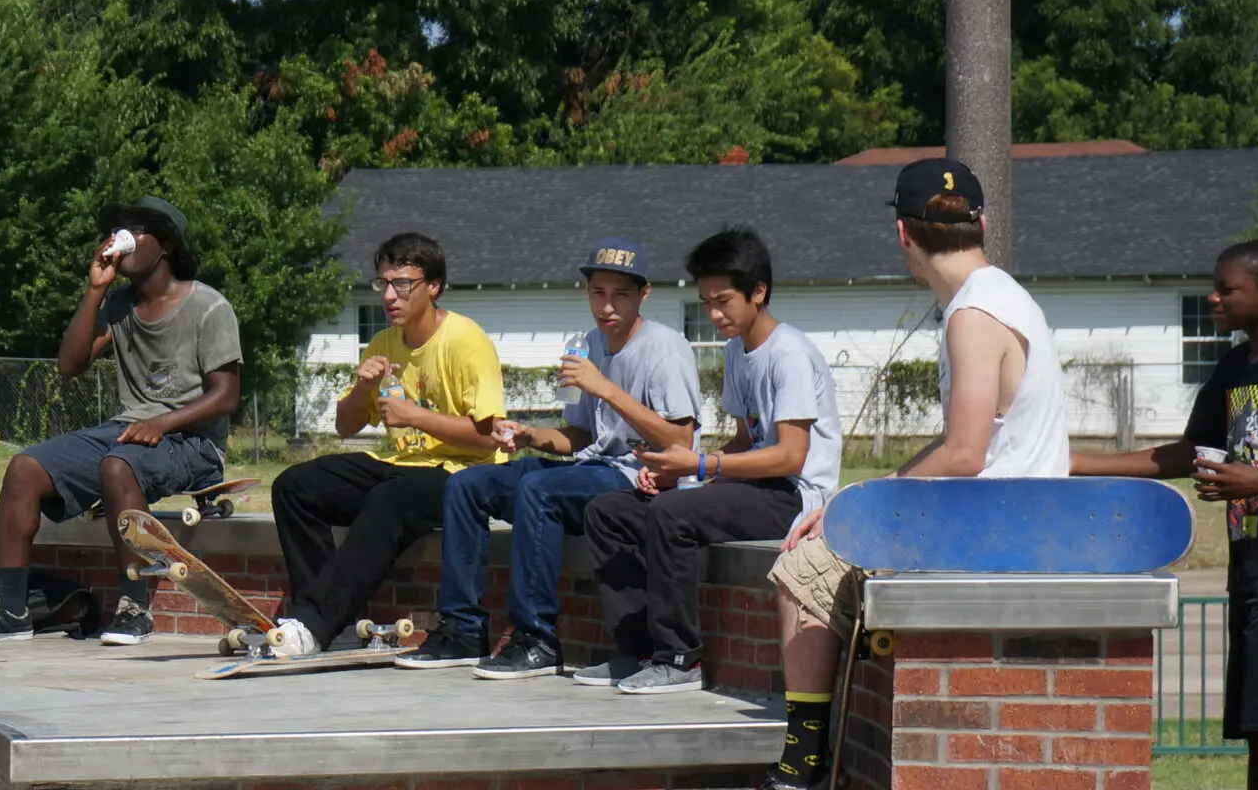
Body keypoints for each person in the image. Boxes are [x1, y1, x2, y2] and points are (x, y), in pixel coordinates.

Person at [710, 157, 1068, 790]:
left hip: (990, 532)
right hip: (1011, 518)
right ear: (982, 223)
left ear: (902, 233)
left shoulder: (974, 315)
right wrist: (864, 495)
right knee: (825, 550)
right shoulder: (1004, 296)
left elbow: (963, 454)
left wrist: (858, 507)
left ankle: (801, 770)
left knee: (801, 571)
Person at [1074, 240, 1258, 790]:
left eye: (1226, 289)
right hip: (1252, 566)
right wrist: (1068, 462)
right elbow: (1183, 456)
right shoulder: (1234, 369)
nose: (1213, 298)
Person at [402, 239, 703, 677]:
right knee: (469, 484)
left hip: (640, 479)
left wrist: (604, 388)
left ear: (644, 294)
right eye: (598, 292)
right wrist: (530, 436)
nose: (608, 306)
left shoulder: (665, 347)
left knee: (538, 490)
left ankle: (536, 638)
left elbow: (682, 441)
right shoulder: (587, 343)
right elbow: (581, 435)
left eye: (621, 294)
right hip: (591, 468)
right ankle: (463, 628)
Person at [0, 196, 242, 644]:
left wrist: (162, 424)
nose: (120, 240)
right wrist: (95, 292)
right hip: (128, 430)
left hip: (193, 441)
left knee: (117, 465)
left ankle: (134, 609)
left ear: (165, 245)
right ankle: (11, 612)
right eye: (117, 230)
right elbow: (69, 366)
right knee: (24, 469)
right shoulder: (119, 305)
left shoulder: (209, 307)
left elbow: (226, 396)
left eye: (135, 230)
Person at [581, 228, 841, 697]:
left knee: (671, 514)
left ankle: (680, 658)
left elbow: (789, 454)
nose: (714, 314)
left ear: (758, 291)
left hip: (795, 496)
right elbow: (746, 439)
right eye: (706, 302)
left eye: (723, 301)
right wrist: (677, 469)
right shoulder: (737, 351)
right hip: (755, 486)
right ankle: (637, 652)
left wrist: (702, 467)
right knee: (609, 511)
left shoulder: (790, 355)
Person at [261, 232, 505, 659]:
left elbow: (489, 438)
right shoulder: (384, 343)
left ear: (434, 286)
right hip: (402, 463)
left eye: (403, 283)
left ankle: (314, 622)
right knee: (296, 486)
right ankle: (327, 623)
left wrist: (416, 416)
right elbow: (345, 426)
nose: (390, 295)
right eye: (383, 284)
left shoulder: (466, 340)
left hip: (464, 474)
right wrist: (362, 388)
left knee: (390, 497)